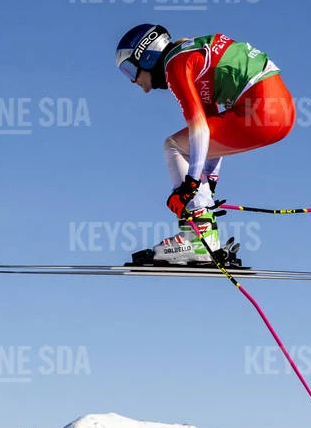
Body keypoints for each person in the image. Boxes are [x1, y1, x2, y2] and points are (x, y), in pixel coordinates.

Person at [115, 24, 296, 265]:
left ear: (146, 56)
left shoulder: (175, 66)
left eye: (129, 70)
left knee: (173, 146)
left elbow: (199, 129)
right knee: (188, 146)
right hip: (281, 112)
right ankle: (202, 235)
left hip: (261, 111)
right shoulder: (189, 54)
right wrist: (208, 182)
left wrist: (190, 185)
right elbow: (212, 129)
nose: (131, 80)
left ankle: (199, 238)